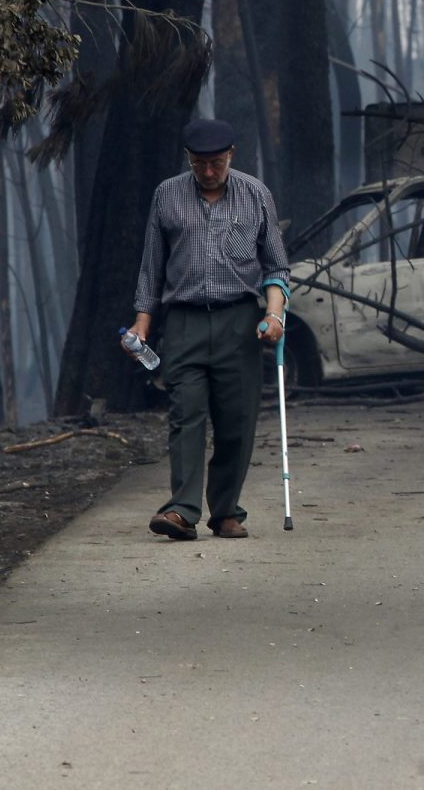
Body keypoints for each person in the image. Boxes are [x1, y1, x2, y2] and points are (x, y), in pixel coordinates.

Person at [129, 118, 289, 540]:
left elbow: (276, 267)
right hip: (184, 321)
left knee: (237, 421)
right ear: (189, 158)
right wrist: (142, 324)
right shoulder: (167, 195)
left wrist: (274, 316)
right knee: (185, 415)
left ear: (230, 155)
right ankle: (181, 511)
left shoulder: (255, 194)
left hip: (240, 320)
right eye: (199, 163)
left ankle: (227, 511)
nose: (208, 171)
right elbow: (151, 268)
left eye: (216, 162)